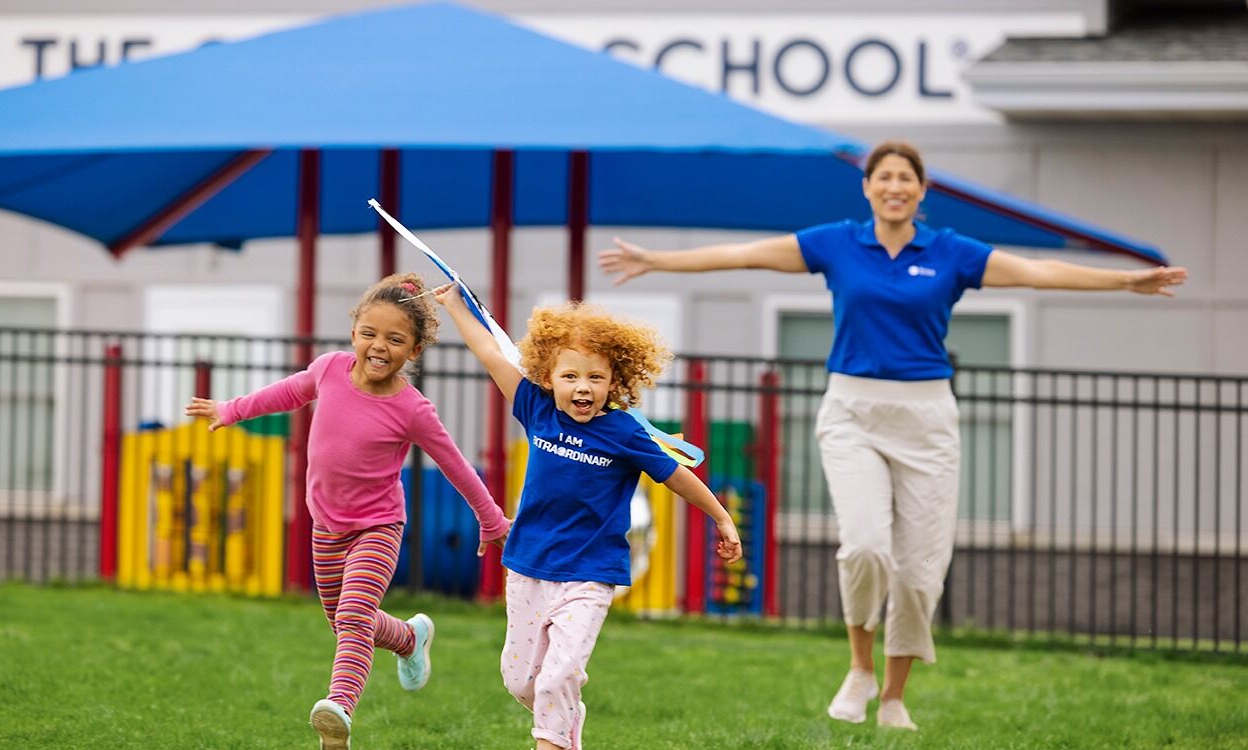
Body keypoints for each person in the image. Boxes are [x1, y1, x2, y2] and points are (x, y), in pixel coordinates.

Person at [598, 140, 1187, 731]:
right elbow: (747, 254)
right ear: (868, 187)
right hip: (852, 410)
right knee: (866, 546)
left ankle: (895, 698)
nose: (896, 187)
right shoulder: (837, 243)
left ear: (922, 190)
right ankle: (859, 667)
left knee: (919, 568)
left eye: (907, 178)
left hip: (927, 419)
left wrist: (1123, 284)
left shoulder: (951, 252)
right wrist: (660, 261)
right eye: (885, 177)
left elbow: (1037, 271)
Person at [184, 273, 511, 750]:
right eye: (370, 334)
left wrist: (492, 519)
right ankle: (409, 638)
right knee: (344, 620)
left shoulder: (413, 409)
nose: (379, 347)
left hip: (378, 527)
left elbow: (456, 466)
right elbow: (288, 392)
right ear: (354, 332)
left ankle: (337, 713)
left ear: (414, 350)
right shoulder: (330, 369)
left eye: (395, 339)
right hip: (326, 524)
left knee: (355, 616)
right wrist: (231, 409)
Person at [433, 285, 743, 750]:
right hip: (527, 567)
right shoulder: (536, 408)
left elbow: (676, 476)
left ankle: (552, 736)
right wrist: (455, 305)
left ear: (613, 382)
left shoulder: (622, 431)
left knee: (557, 677)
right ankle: (567, 722)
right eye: (571, 376)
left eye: (596, 378)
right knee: (522, 682)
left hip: (589, 574)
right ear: (549, 377)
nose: (583, 387)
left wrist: (721, 518)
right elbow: (490, 354)